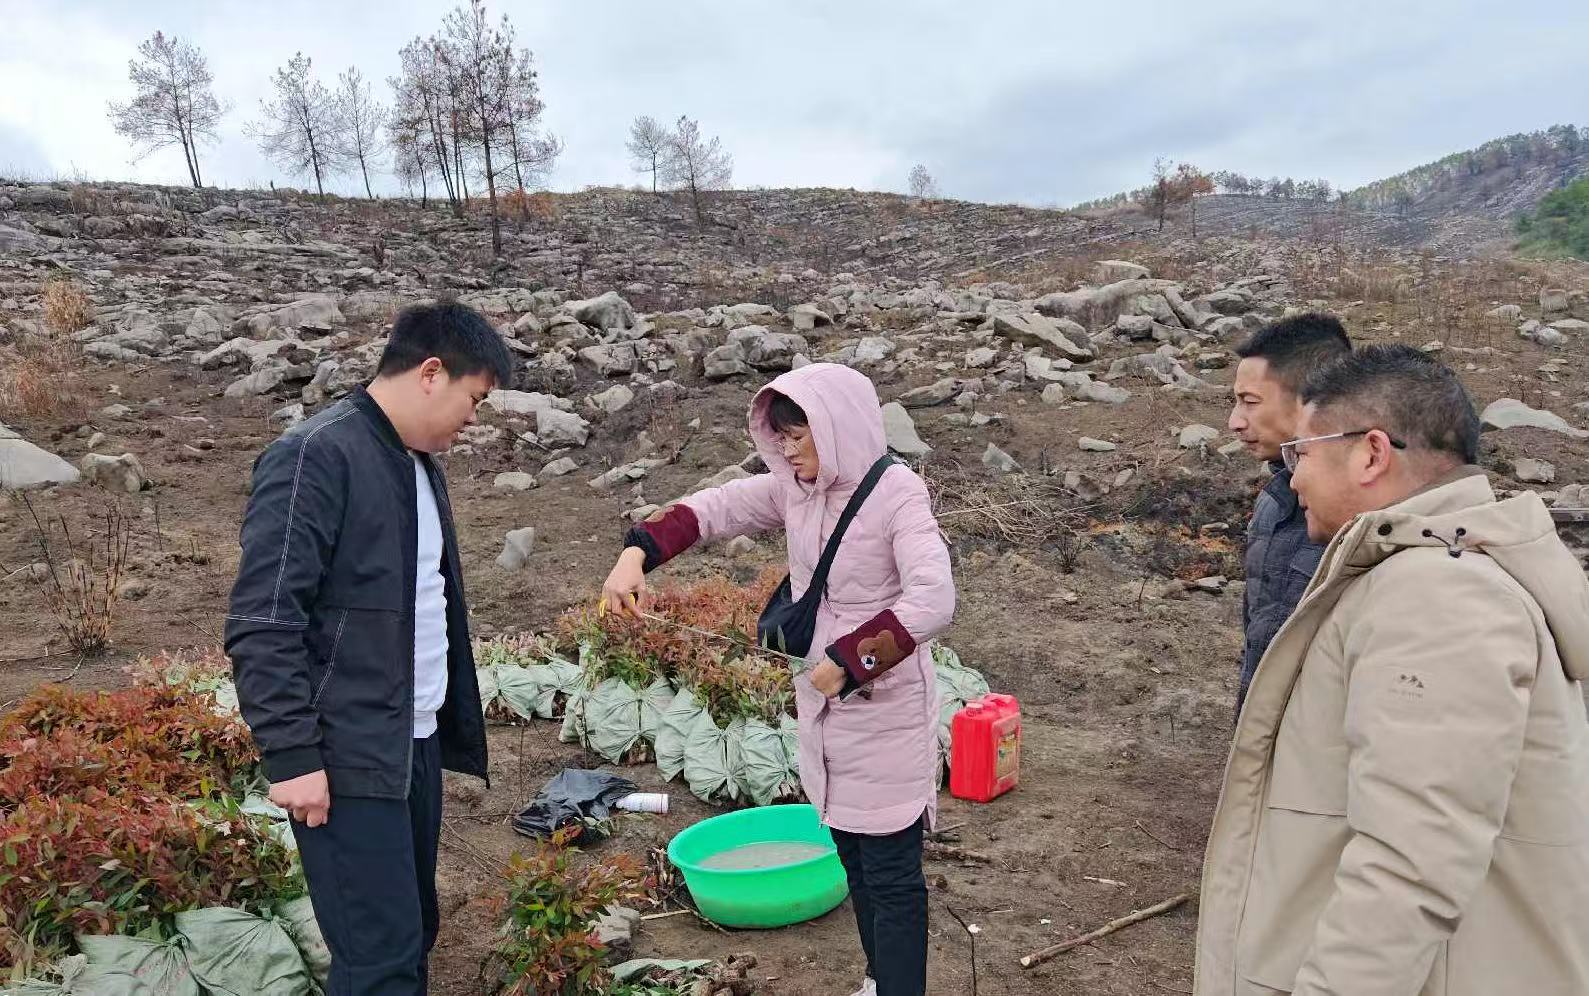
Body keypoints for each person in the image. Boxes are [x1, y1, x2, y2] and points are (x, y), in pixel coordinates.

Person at [1195, 344, 1589, 996]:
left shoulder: (1436, 598)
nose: (1290, 478)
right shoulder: (1430, 575)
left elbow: (1407, 868)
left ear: (1370, 453)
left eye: (1301, 453)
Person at [602, 363, 955, 996]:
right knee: (850, 849)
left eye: (800, 434)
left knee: (892, 872)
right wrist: (638, 552)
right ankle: (880, 981)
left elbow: (933, 599)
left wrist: (854, 660)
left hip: (885, 704)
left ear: (838, 428)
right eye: (782, 436)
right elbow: (714, 509)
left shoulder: (898, 493)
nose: (787, 449)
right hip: (824, 704)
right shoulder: (796, 488)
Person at [225, 302, 511, 995]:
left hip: (406, 742)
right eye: (473, 400)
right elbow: (263, 621)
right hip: (344, 753)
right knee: (376, 957)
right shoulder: (315, 456)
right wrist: (292, 757)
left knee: (410, 930)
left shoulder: (412, 460)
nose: (472, 419)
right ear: (431, 373)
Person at [1227, 313, 1351, 716]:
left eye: (1250, 402)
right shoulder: (1275, 498)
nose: (1234, 422)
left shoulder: (1357, 515)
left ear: (1310, 402)